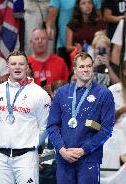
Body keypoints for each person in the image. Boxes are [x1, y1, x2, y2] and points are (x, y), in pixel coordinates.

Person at [47, 52, 115, 183]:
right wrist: (61, 149)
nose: (86, 69)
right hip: (64, 157)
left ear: (93, 68)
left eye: (89, 66)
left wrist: (84, 150)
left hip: (89, 157)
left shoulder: (104, 94)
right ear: (75, 70)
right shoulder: (62, 93)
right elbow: (52, 125)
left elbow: (106, 130)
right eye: (82, 66)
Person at [0, 50, 51, 184]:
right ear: (7, 67)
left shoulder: (40, 94)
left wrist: (31, 146)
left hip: (26, 157)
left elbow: (45, 126)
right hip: (1, 156)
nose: (17, 67)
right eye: (13, 64)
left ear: (27, 68)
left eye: (21, 64)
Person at [46, 0, 101, 68]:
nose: (87, 5)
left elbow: (98, 16)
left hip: (92, 48)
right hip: (65, 45)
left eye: (89, 3)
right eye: (84, 3)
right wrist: (49, 27)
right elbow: (52, 14)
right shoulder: (70, 24)